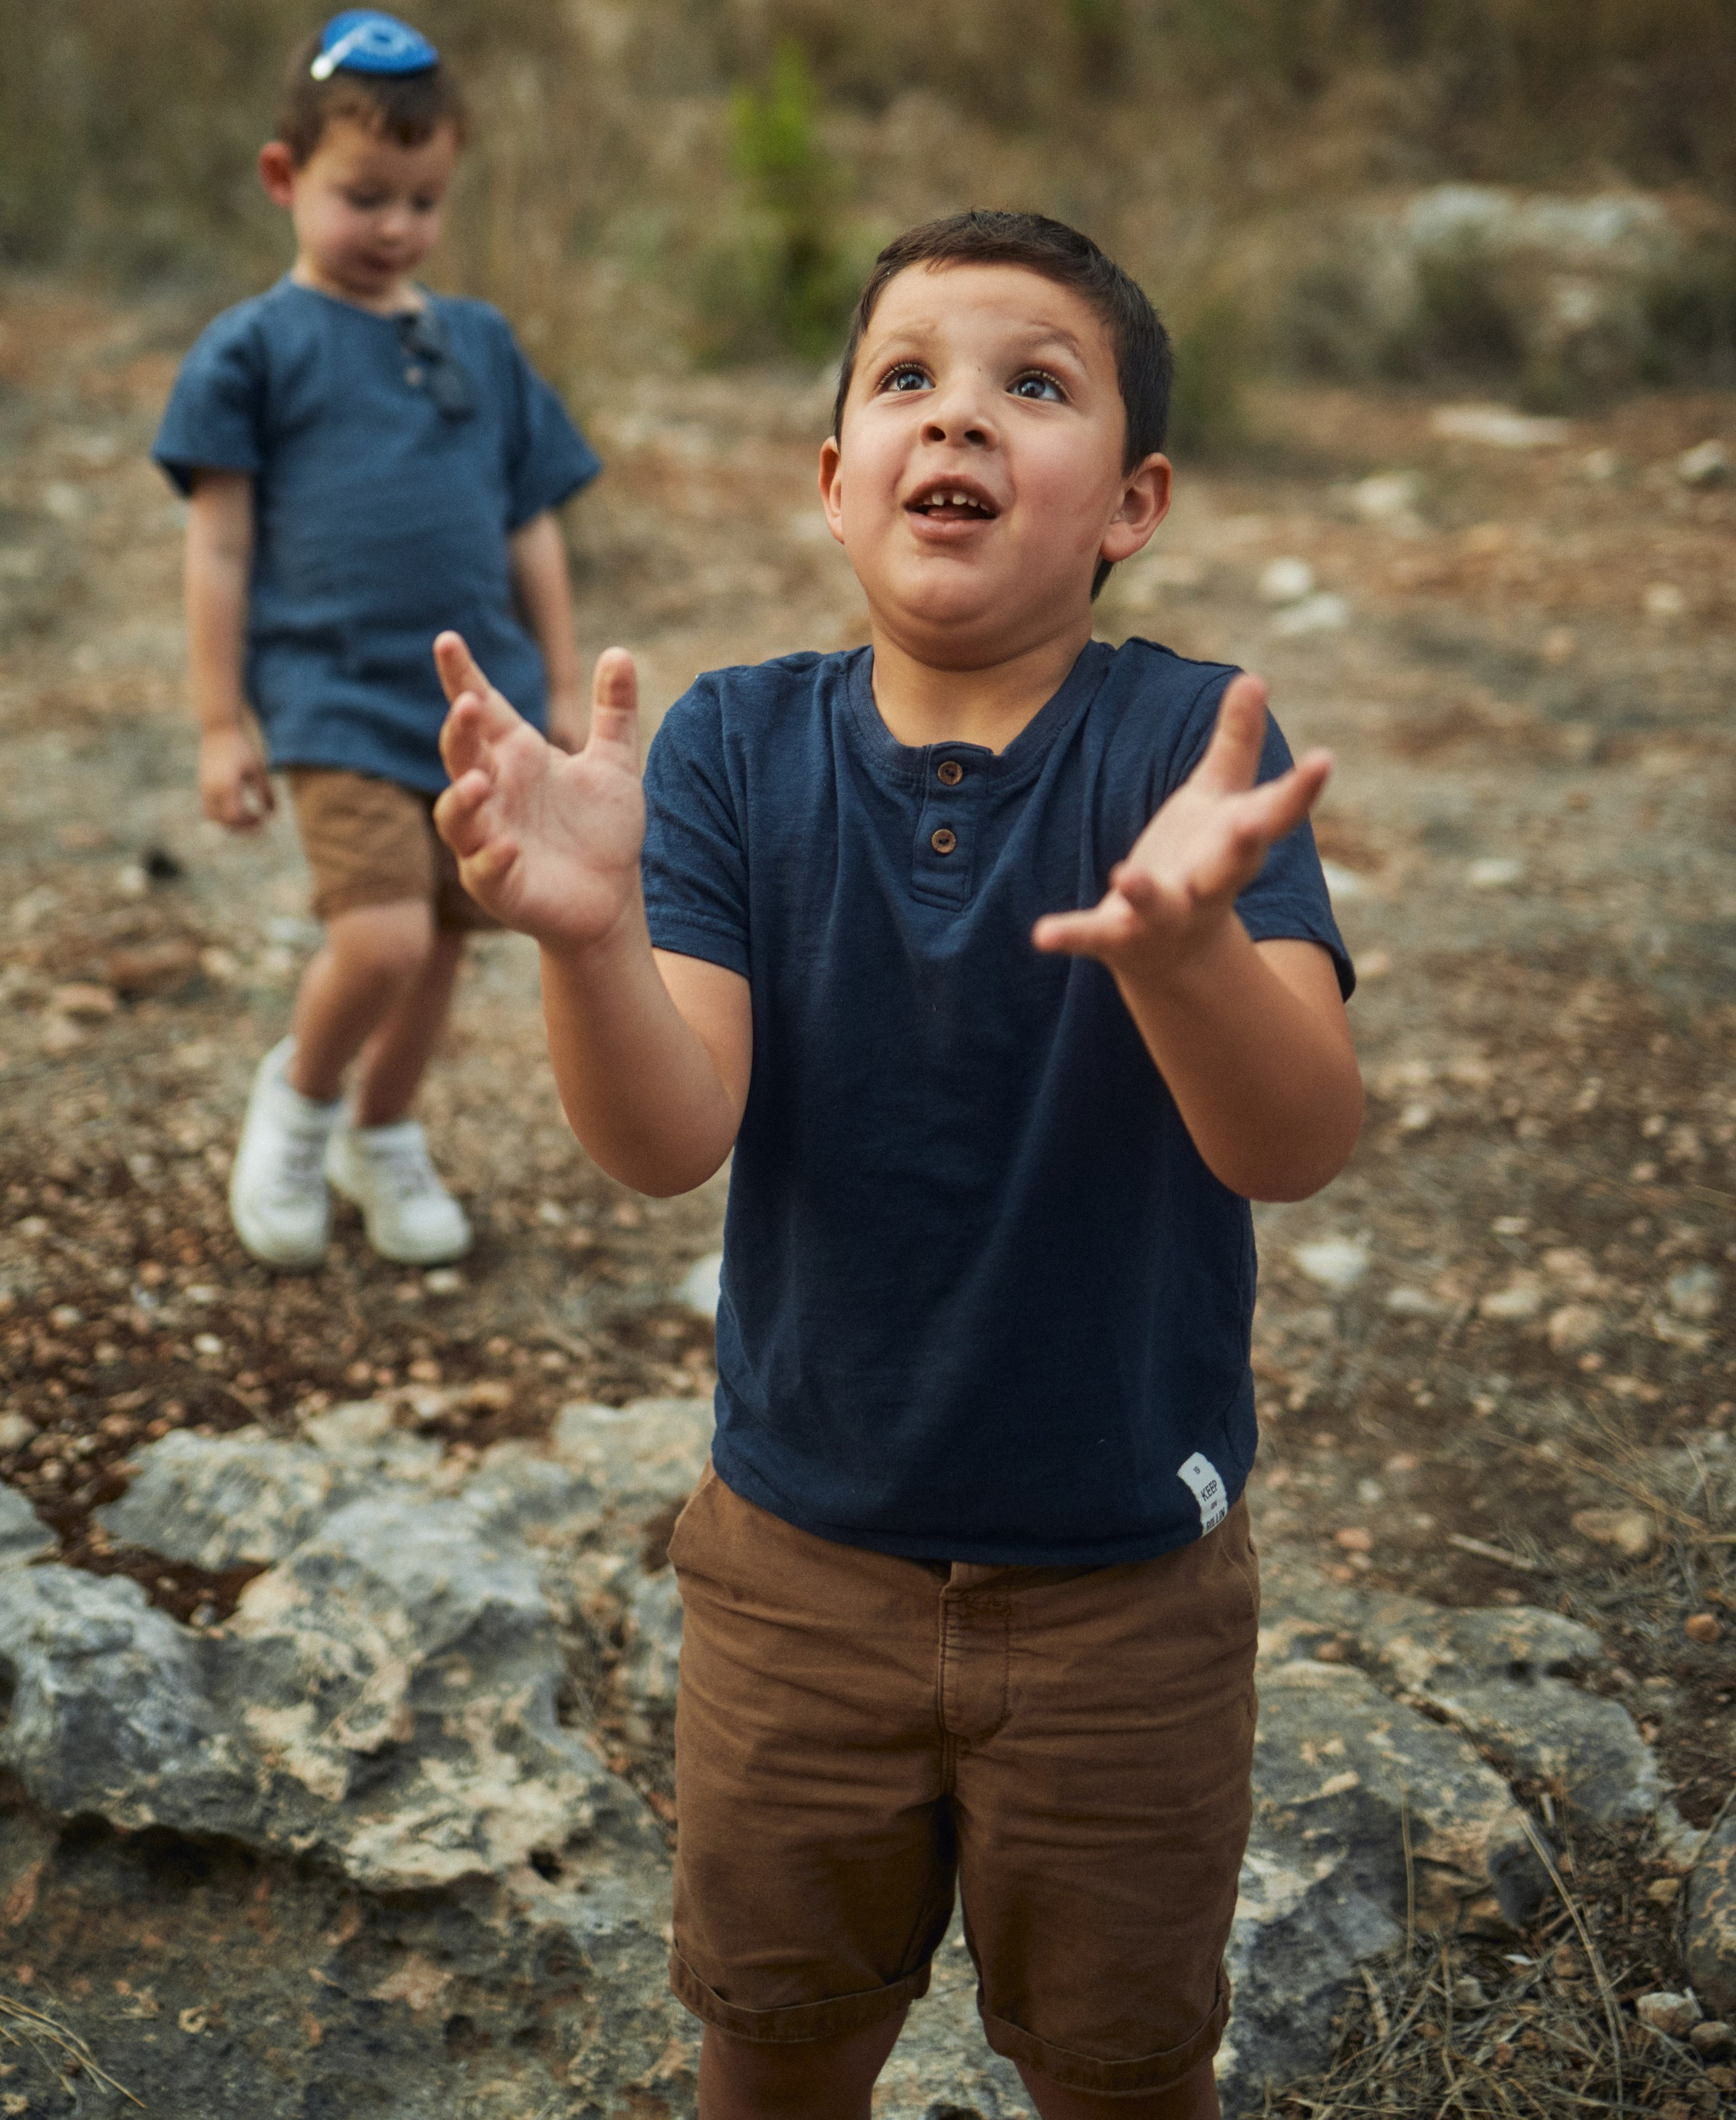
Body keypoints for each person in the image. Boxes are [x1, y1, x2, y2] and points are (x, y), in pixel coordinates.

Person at [429, 209, 1363, 2120]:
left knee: (1121, 2073)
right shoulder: (730, 750)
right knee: (770, 2057)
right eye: (907, 378)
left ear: (1131, 500)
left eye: (1035, 386)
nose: (961, 420)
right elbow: (667, 1138)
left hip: (1123, 1588)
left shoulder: (1188, 747)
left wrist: (1185, 950)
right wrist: (587, 936)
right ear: (834, 475)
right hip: (795, 1568)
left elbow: (1292, 1141)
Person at [152, 8, 600, 1273]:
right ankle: (299, 1102)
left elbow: (532, 523)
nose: (396, 225)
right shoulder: (252, 350)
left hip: (478, 709)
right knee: (384, 934)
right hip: (332, 698)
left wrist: (559, 682)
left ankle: (383, 1131)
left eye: (423, 198)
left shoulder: (481, 343)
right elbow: (220, 547)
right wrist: (217, 721)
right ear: (284, 179)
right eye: (364, 195)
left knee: (454, 942)